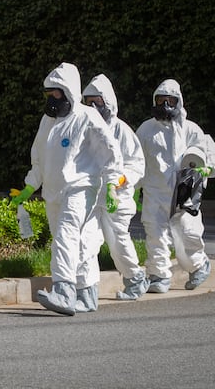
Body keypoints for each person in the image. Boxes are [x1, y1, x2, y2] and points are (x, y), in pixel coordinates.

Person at [10, 62, 123, 316]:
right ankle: (87, 295)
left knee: (65, 236)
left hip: (82, 188)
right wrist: (29, 187)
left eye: (56, 93)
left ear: (69, 90)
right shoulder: (47, 121)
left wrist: (113, 185)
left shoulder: (87, 117)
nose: (51, 99)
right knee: (77, 242)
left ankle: (63, 291)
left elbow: (110, 153)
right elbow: (38, 157)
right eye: (48, 94)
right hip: (53, 191)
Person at [135, 79, 215, 293]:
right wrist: (134, 191)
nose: (165, 104)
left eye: (170, 100)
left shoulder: (191, 130)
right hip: (155, 192)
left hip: (185, 190)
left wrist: (205, 170)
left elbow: (206, 154)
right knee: (155, 234)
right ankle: (159, 275)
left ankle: (199, 265)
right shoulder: (146, 130)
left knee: (187, 232)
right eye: (160, 100)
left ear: (178, 102)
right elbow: (136, 161)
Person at [82, 74, 148, 300]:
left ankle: (135, 278)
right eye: (88, 101)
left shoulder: (121, 130)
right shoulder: (85, 127)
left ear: (108, 101)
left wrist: (119, 180)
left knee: (117, 239)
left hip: (117, 197)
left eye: (97, 101)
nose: (92, 106)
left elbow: (136, 163)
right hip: (92, 194)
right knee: (88, 240)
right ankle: (84, 287)